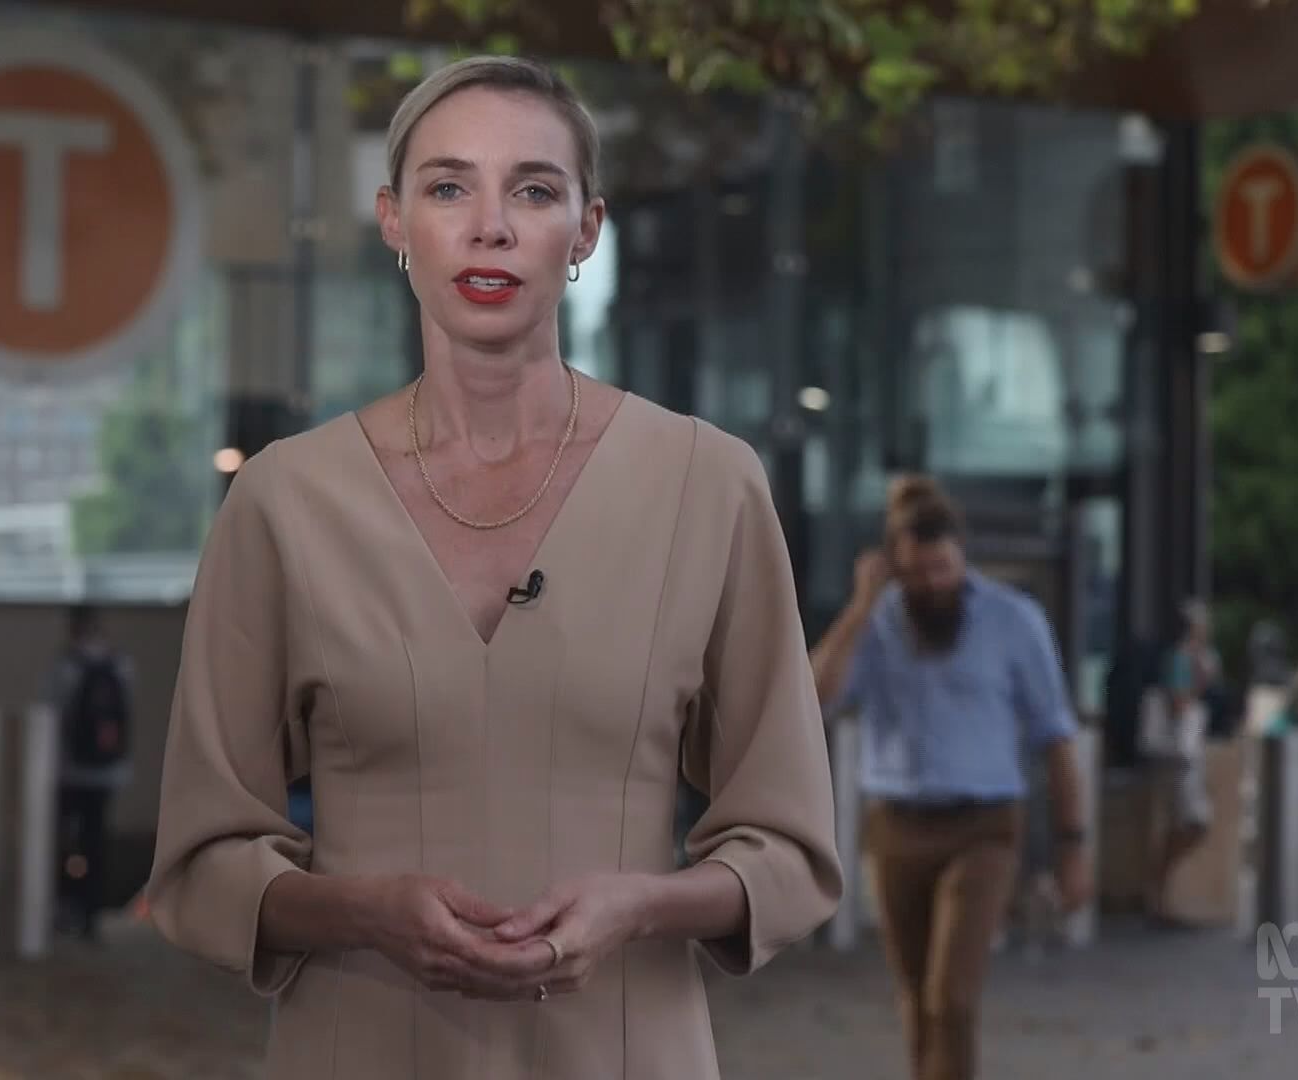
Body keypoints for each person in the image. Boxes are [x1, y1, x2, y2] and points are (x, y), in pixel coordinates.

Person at [139, 55, 843, 1079]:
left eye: (534, 191)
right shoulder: (285, 501)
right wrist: (363, 911)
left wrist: (641, 903)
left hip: (623, 1047)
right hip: (362, 1046)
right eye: (448, 188)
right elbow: (202, 861)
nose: (490, 228)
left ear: (586, 231)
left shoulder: (710, 485)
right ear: (393, 221)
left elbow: (789, 848)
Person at [810, 476, 1092, 1080]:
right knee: (916, 1001)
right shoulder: (877, 624)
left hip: (984, 829)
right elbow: (815, 698)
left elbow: (1057, 738)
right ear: (894, 565)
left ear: (962, 556)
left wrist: (1073, 847)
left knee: (951, 997)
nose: (933, 584)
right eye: (917, 573)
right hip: (896, 827)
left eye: (943, 569)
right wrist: (859, 607)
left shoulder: (1015, 621)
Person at [48, 603, 134, 940]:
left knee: (66, 842)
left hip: (69, 771)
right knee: (96, 841)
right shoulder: (121, 665)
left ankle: (65, 907)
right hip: (107, 772)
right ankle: (91, 916)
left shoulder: (66, 667)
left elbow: (51, 714)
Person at [1142, 598, 1218, 922]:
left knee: (1184, 822)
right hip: (1179, 753)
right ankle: (1157, 890)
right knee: (1192, 822)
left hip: (1184, 752)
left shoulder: (1189, 657)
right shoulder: (1181, 658)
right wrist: (1200, 678)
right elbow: (1179, 702)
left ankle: (1159, 894)